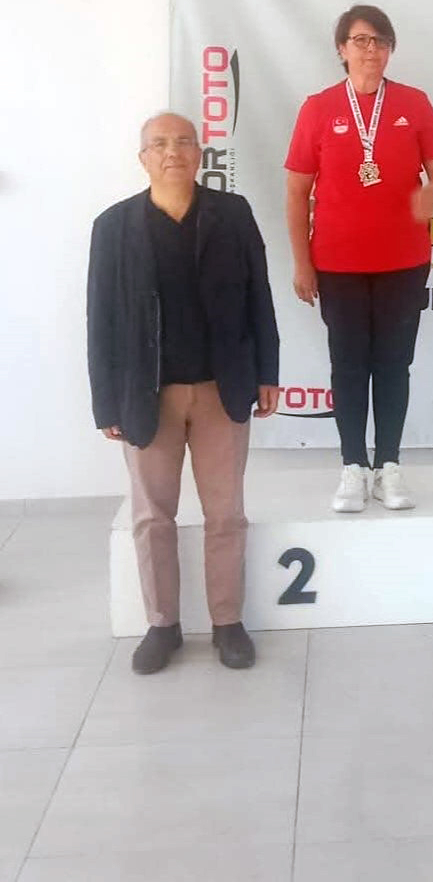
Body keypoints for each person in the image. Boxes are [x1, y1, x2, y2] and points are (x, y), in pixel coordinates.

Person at [87, 113, 280, 674]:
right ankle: (162, 625)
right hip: (147, 395)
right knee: (152, 516)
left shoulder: (232, 213)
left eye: (182, 142)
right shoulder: (113, 227)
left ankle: (228, 623)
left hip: (223, 388)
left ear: (199, 154)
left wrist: (267, 371)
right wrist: (106, 402)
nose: (171, 151)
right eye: (159, 144)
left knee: (227, 513)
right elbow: (100, 319)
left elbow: (259, 296)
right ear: (143, 157)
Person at [286, 4, 433, 514]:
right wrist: (302, 263)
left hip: (403, 260)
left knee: (394, 363)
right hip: (337, 263)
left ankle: (389, 465)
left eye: (380, 41)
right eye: (360, 40)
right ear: (342, 49)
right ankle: (353, 466)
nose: (371, 49)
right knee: (348, 364)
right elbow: (296, 192)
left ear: (390, 49)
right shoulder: (318, 108)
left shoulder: (413, 103)